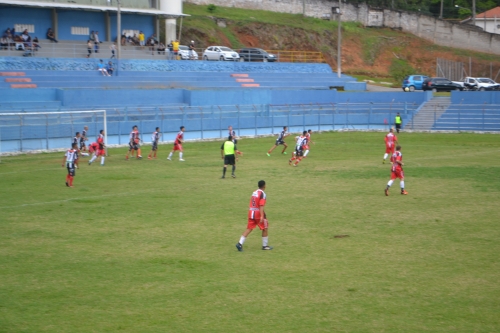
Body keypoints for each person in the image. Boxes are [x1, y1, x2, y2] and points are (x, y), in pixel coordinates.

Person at [236, 180, 273, 251]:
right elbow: (261, 205)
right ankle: (265, 246)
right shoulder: (263, 194)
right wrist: (262, 216)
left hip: (251, 212)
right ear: (264, 186)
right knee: (265, 227)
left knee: (249, 228)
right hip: (257, 213)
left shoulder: (254, 192)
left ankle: (239, 243)